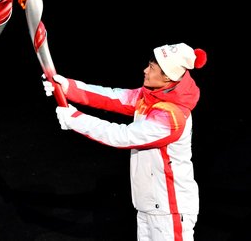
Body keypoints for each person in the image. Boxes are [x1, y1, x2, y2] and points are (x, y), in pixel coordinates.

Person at [42, 43, 207, 241]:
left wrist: (75, 119)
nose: (145, 70)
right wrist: (68, 87)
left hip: (170, 210)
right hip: (149, 206)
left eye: (152, 68)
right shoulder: (150, 95)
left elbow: (122, 136)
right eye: (149, 64)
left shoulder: (172, 117)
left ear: (167, 77)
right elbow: (112, 96)